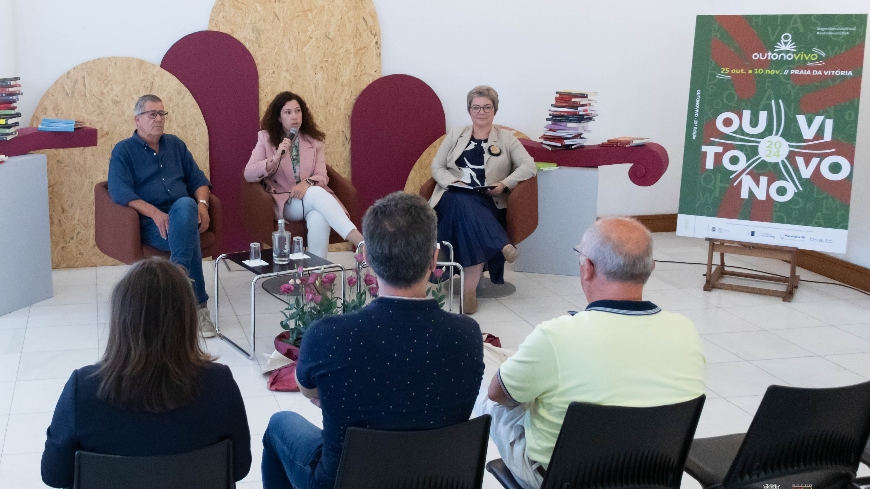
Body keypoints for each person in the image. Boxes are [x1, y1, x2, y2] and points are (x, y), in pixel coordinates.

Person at [261, 192, 484, 489]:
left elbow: (307, 389)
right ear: (434, 260)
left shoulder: (328, 335)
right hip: (436, 480)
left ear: (366, 258)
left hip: (342, 481)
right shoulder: (467, 336)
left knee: (279, 425)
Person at [474, 217, 706, 489]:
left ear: (588, 268)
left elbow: (498, 395)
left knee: (489, 392)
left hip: (560, 481)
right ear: (651, 268)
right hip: (648, 476)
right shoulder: (686, 331)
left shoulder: (556, 336)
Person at [41, 257, 252, 488]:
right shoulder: (220, 385)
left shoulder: (81, 390)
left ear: (121, 320)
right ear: (187, 320)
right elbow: (239, 468)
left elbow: (54, 475)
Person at [107, 94, 216, 337]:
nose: (159, 119)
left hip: (182, 213)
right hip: (149, 223)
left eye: (162, 114)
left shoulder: (175, 145)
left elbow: (198, 179)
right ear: (137, 119)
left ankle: (177, 274)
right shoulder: (123, 150)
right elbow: (118, 191)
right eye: (152, 114)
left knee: (186, 205)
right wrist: (155, 213)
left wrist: (202, 204)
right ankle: (198, 308)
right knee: (189, 236)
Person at [429, 85, 536, 314]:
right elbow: (437, 166)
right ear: (469, 110)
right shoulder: (455, 135)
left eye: (487, 107)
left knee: (469, 223)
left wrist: (505, 184)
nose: (481, 111)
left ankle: (469, 293)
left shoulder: (507, 139)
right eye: (476, 107)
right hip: (452, 195)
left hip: (488, 200)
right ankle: (501, 244)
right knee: (460, 200)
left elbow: (529, 166)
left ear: (494, 110)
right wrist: (452, 182)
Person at [245, 91, 363, 258]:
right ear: (279, 118)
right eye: (288, 112)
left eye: (298, 111)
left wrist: (306, 183)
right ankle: (359, 240)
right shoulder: (266, 138)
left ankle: (316, 276)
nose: (294, 116)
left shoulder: (314, 141)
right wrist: (276, 156)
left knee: (318, 216)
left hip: (310, 196)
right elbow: (249, 174)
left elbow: (322, 175)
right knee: (316, 194)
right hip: (286, 201)